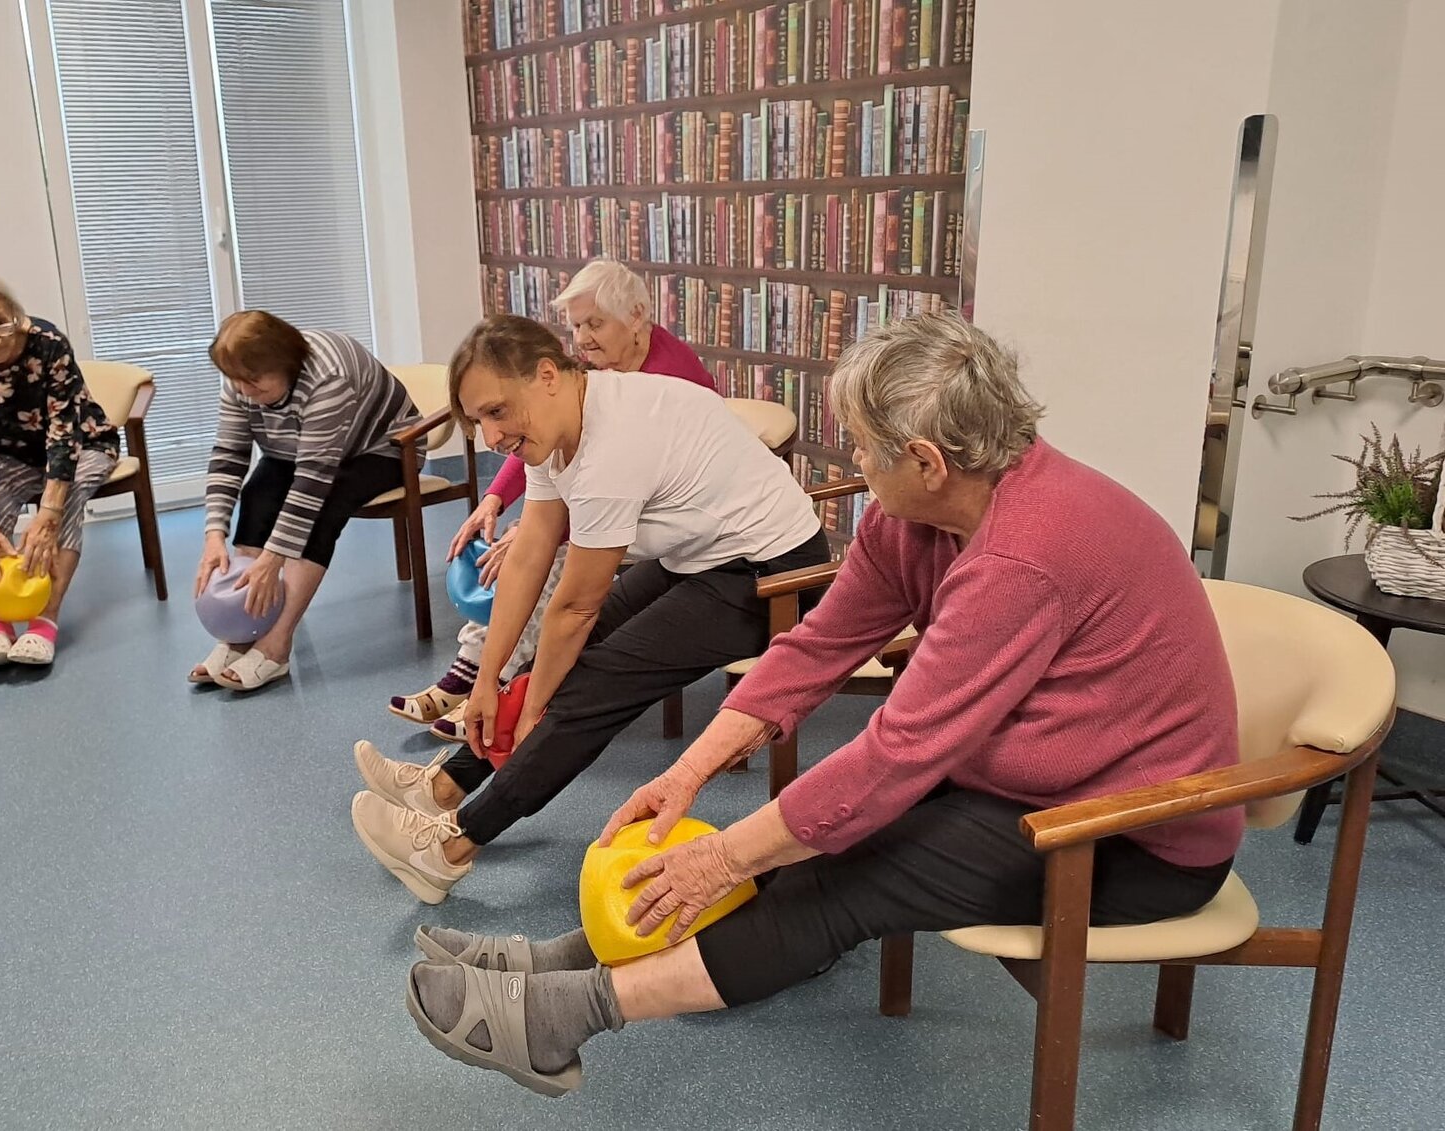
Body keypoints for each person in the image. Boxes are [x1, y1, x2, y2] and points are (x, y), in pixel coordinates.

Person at [397, 314, 1244, 1094]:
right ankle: (564, 960)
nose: (855, 467)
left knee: (843, 873)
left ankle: (566, 1016)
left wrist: (725, 857)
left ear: (927, 461)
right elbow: (814, 647)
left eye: (864, 450)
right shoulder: (914, 521)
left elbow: (898, 753)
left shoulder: (1023, 555)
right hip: (1021, 782)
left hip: (1131, 831)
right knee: (798, 839)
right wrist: (690, 772)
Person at [353, 314, 828, 903]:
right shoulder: (558, 429)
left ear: (547, 376)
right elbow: (529, 556)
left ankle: (450, 849)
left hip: (776, 573)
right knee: (550, 664)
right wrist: (487, 679)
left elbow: (574, 608)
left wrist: (535, 709)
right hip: (703, 556)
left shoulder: (612, 444)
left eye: (497, 412)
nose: (491, 436)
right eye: (478, 421)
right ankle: (445, 787)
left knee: (592, 683)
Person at [389, 259, 717, 739]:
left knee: (548, 560)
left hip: (666, 519)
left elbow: (612, 486)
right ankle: (474, 673)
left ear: (637, 316)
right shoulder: (602, 367)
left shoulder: (669, 377)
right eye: (577, 326)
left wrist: (537, 532)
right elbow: (545, 441)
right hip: (614, 510)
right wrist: (497, 499)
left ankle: (500, 689)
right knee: (527, 550)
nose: (583, 339)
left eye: (595, 323)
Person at [190, 311, 420, 691]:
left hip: (383, 448)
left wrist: (272, 559)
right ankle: (242, 633)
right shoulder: (241, 380)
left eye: (253, 382)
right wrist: (213, 534)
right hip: (297, 449)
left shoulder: (327, 378)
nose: (243, 390)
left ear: (286, 365)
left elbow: (313, 482)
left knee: (323, 510)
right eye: (236, 380)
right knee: (258, 494)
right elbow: (229, 455)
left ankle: (276, 643)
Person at [0, 269, 120, 668]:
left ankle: (44, 622)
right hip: (7, 453)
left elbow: (64, 433)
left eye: (2, 322)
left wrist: (48, 513)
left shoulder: (47, 343)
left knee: (65, 505)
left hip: (83, 443)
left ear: (14, 311)